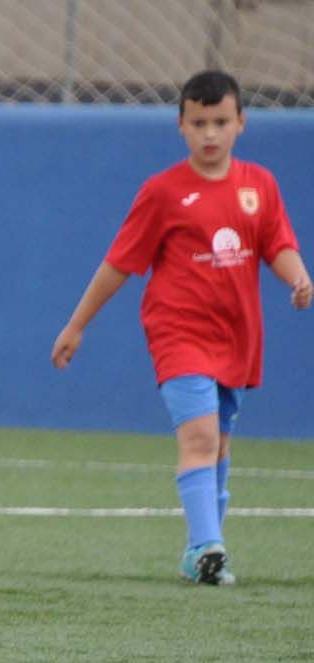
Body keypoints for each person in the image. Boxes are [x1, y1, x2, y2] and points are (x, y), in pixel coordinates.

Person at [52, 70, 310, 586]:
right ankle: (209, 547)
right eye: (198, 123)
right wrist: (77, 324)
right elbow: (119, 264)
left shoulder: (259, 186)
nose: (210, 134)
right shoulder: (163, 193)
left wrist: (298, 276)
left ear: (241, 123)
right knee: (198, 435)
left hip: (237, 337)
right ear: (181, 126)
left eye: (220, 122)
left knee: (219, 445)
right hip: (179, 335)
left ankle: (200, 551)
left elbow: (276, 243)